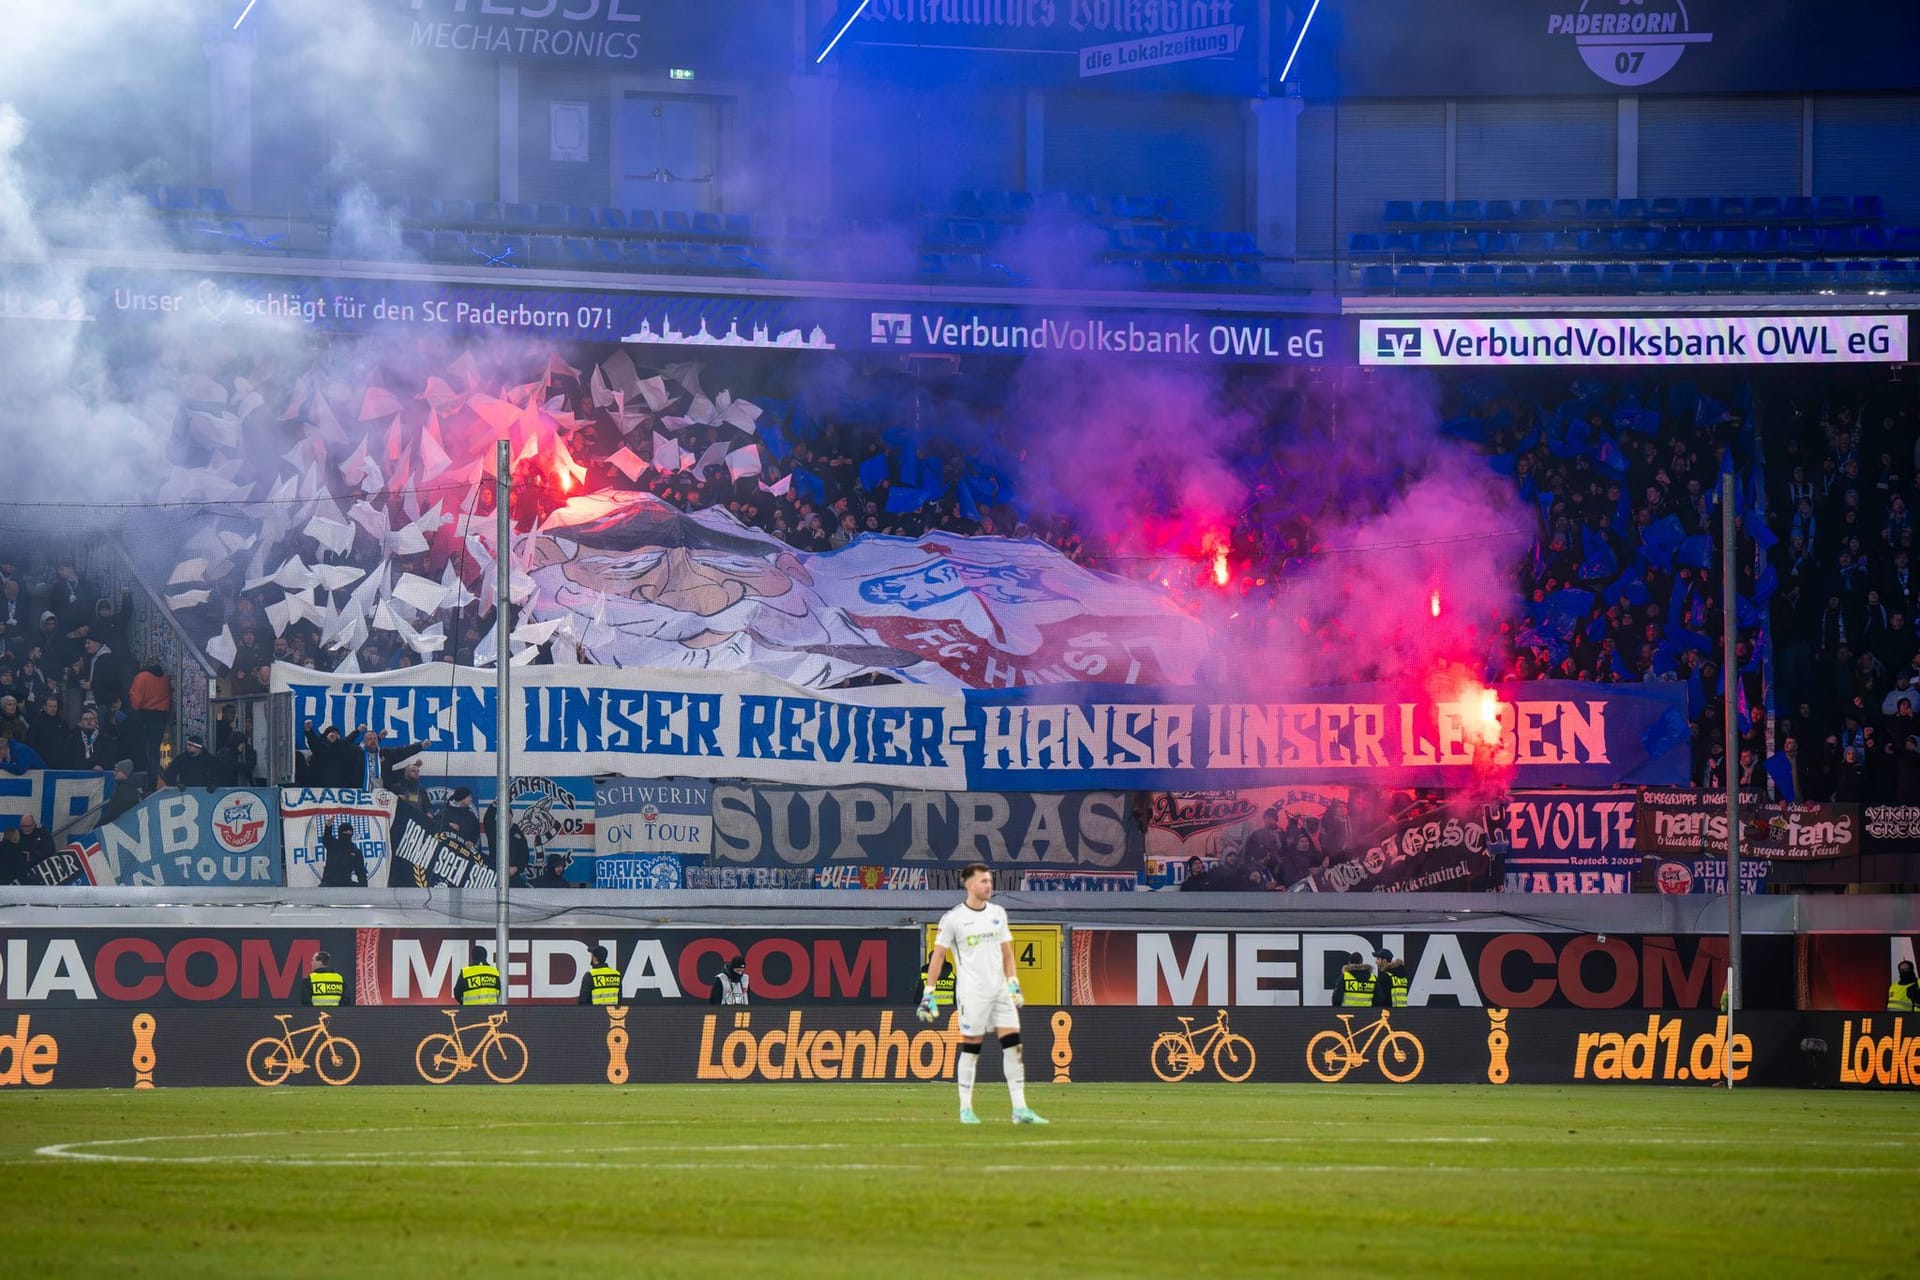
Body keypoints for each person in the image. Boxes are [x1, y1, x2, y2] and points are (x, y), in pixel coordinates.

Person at [920, 863, 1046, 1125]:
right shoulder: (953, 919)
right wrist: (928, 992)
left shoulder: (998, 913)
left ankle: (1019, 1109)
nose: (989, 886)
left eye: (990, 881)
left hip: (1000, 991)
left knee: (1014, 1046)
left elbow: (1007, 954)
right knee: (972, 1048)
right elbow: (938, 957)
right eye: (983, 882)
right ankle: (966, 1109)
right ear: (969, 885)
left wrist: (1013, 984)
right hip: (972, 993)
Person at [318, 820, 368, 888]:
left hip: (346, 883)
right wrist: (328, 825)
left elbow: (361, 872)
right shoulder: (333, 845)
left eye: (350, 832)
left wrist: (365, 890)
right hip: (329, 883)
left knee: (359, 888)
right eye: (345, 831)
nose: (348, 833)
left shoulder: (356, 852)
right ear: (340, 833)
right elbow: (327, 838)